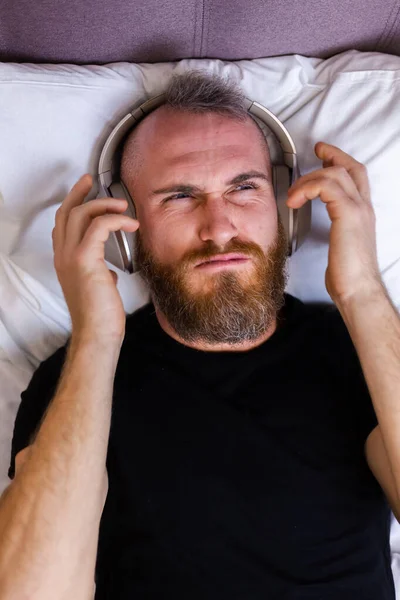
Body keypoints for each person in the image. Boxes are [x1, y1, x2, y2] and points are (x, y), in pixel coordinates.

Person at [0, 69, 399, 600]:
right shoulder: (76, 379)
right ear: (127, 237)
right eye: (180, 196)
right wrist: (97, 335)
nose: (220, 226)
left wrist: (364, 291)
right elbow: (32, 591)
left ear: (284, 207)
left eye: (244, 187)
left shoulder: (360, 349)